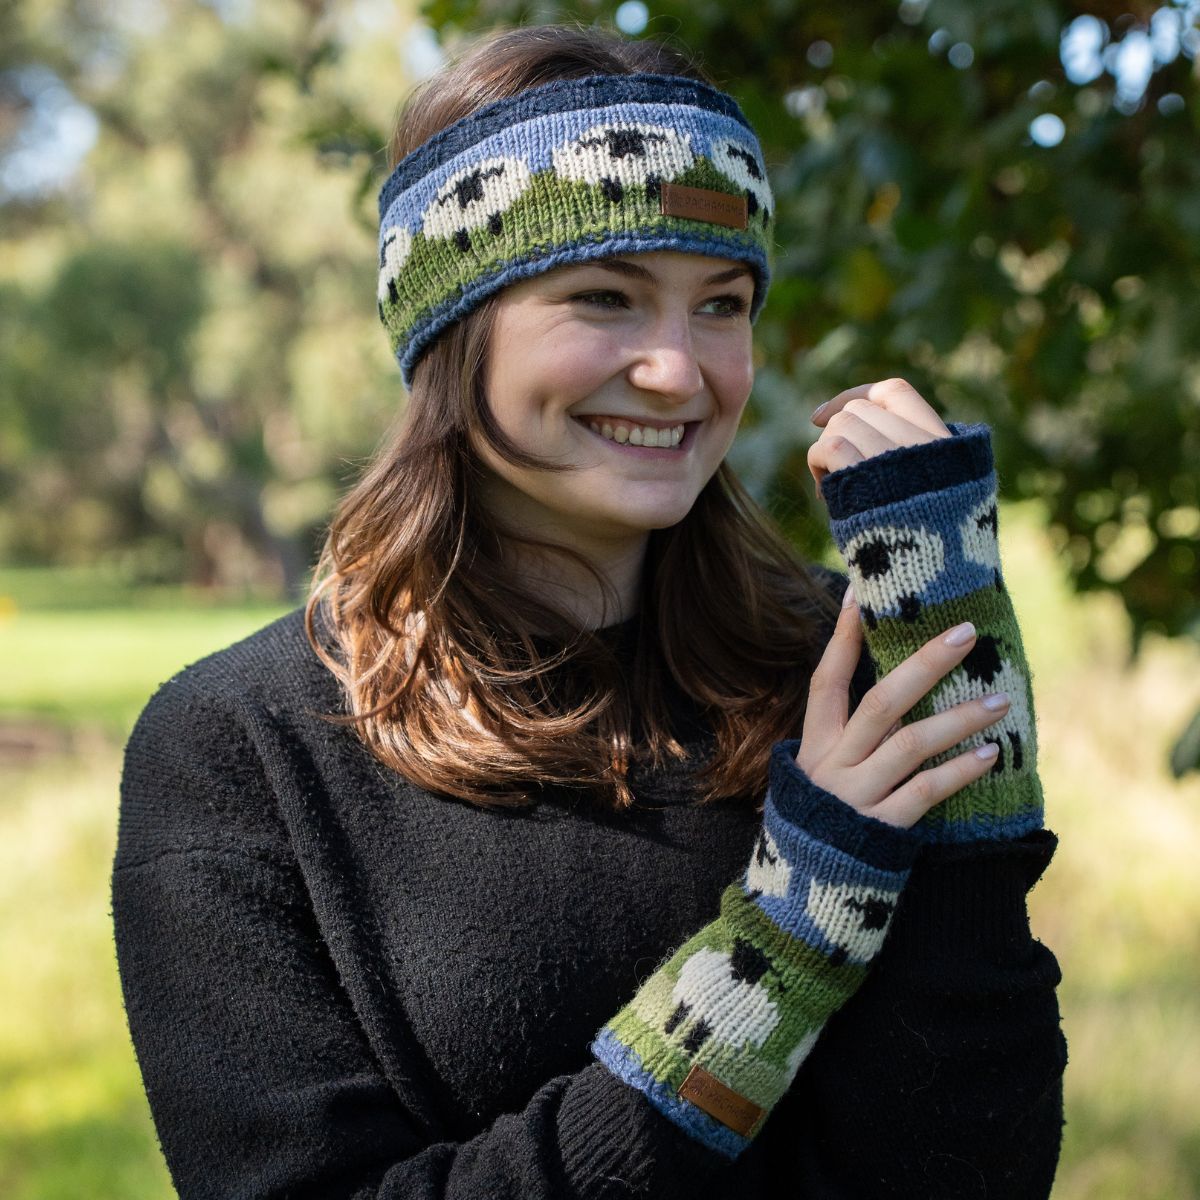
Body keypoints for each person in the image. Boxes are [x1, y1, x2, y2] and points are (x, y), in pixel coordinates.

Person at [111, 23, 1066, 1199]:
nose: (679, 370)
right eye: (607, 296)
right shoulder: (242, 749)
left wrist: (963, 701)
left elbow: (971, 1171)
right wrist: (783, 948)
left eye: (721, 305)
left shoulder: (839, 667)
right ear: (456, 336)